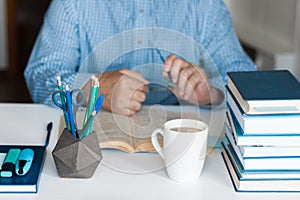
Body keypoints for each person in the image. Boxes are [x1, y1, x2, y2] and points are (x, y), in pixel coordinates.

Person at [24, 0, 255, 116]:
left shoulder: (206, 6)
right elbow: (41, 75)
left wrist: (211, 92)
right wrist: (94, 89)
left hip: (186, 147)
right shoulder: (73, 4)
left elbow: (246, 77)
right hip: (93, 142)